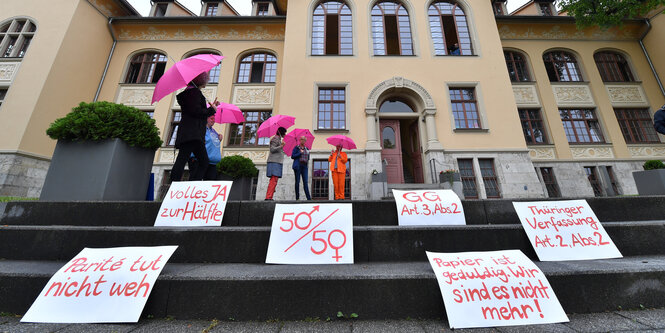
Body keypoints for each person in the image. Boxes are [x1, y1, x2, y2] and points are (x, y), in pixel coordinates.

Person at [170, 71, 218, 182]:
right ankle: (176, 185)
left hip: (193, 134)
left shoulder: (191, 93)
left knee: (202, 161)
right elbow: (196, 112)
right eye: (206, 79)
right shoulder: (194, 92)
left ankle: (192, 184)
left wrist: (211, 108)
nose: (207, 81)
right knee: (185, 160)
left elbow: (195, 111)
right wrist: (211, 110)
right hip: (192, 134)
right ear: (200, 80)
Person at [188, 115, 223, 180]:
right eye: (211, 118)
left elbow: (212, 143)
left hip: (212, 163)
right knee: (195, 183)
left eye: (214, 119)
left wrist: (219, 139)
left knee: (209, 186)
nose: (213, 120)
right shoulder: (200, 129)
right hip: (199, 161)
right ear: (205, 119)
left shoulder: (213, 131)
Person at [265, 127, 286, 200]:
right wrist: (281, 146)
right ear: (281, 132)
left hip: (277, 162)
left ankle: (270, 196)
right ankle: (268, 197)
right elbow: (272, 149)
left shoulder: (279, 139)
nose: (285, 134)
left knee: (275, 180)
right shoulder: (275, 139)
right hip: (274, 161)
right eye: (284, 132)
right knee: (273, 179)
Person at [291, 136, 312, 200]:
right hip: (298, 165)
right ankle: (297, 198)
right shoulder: (296, 148)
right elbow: (292, 156)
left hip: (305, 166)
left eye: (304, 140)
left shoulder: (307, 149)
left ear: (305, 141)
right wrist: (300, 153)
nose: (303, 141)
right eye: (302, 139)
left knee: (305, 182)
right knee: (297, 181)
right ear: (300, 140)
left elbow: (308, 158)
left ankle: (308, 198)